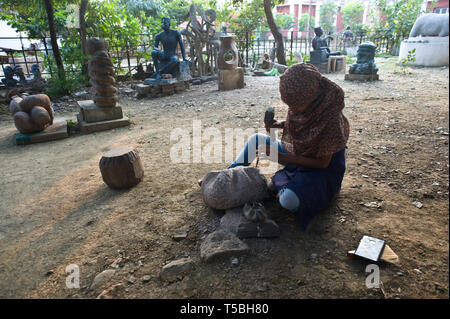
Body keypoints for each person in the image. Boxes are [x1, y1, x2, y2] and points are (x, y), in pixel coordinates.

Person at [227, 63, 350, 229]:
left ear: (311, 95)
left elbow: (322, 163)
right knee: (256, 139)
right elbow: (305, 125)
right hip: (300, 152)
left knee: (288, 200)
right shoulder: (305, 101)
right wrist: (278, 124)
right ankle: (225, 177)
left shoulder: (331, 117)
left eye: (296, 105)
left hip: (321, 171)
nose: (293, 109)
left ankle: (291, 184)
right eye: (290, 104)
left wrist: (281, 157)